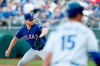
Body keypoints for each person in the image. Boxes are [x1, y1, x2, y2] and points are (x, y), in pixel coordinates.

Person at [44, 1, 100, 66]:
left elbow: (48, 57)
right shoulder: (86, 31)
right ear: (79, 15)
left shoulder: (56, 31)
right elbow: (95, 56)